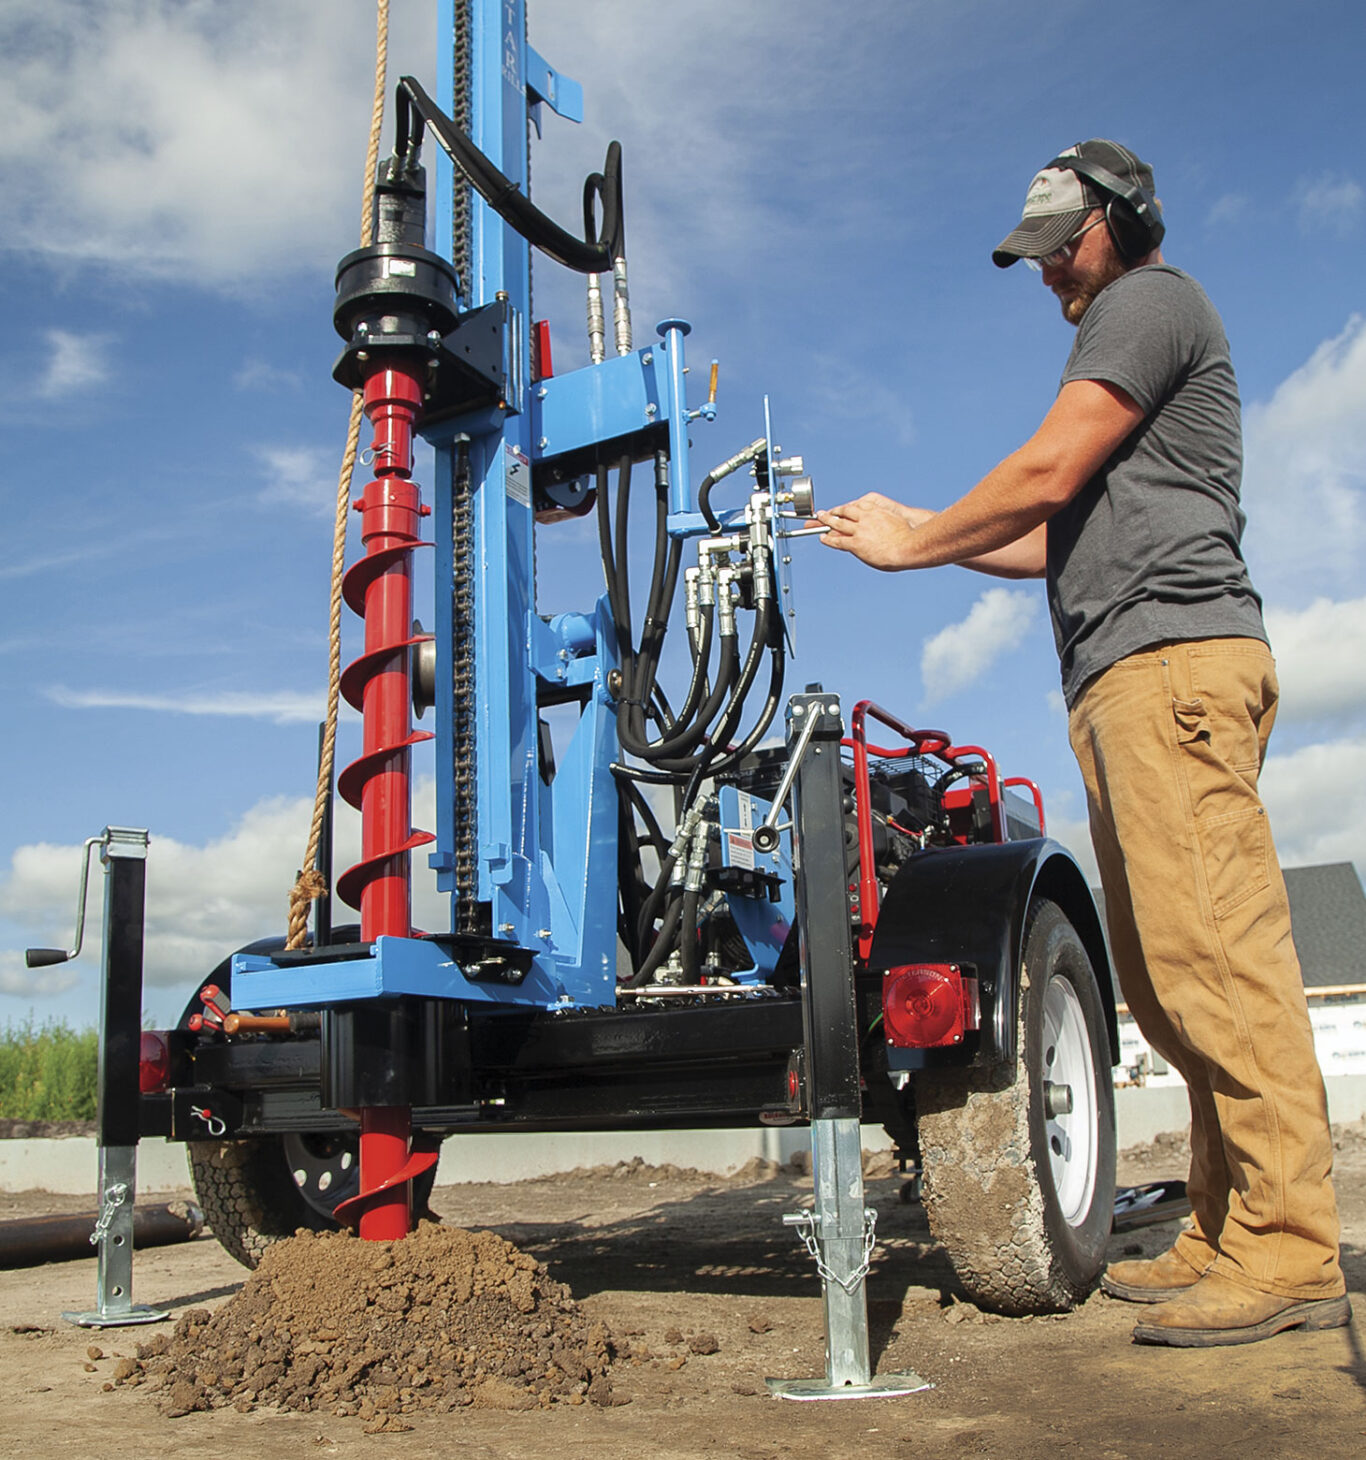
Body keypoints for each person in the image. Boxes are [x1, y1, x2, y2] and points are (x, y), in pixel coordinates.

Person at [817, 139, 1350, 1347]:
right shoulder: (1117, 331)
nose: (1049, 270)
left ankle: (1290, 1248)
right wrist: (924, 531)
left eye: (1062, 243)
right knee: (1168, 977)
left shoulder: (1147, 303)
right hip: (1128, 678)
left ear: (1121, 218)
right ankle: (1226, 1222)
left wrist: (918, 538)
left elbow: (1047, 466)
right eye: (1038, 254)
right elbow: (1042, 530)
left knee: (1217, 957)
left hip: (1169, 668)